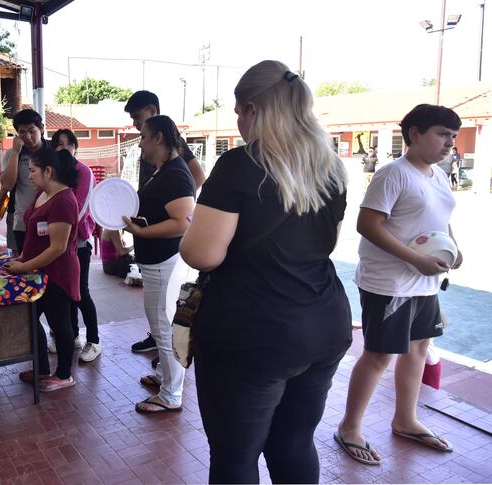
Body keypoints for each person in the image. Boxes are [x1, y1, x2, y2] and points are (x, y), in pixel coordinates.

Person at [180, 60, 352, 483]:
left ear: (254, 108)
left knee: (237, 457)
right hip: (324, 321)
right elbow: (317, 242)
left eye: (238, 111)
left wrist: (190, 233)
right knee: (294, 444)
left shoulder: (240, 164)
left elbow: (203, 254)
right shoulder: (330, 165)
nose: (238, 121)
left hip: (253, 332)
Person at [336, 104, 463, 465]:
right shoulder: (394, 174)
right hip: (390, 283)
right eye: (442, 134)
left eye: (453, 137)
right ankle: (349, 427)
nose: (449, 143)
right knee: (379, 355)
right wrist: (416, 260)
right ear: (414, 135)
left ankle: (405, 419)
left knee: (419, 348)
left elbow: (441, 218)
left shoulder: (437, 175)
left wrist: (454, 248)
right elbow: (368, 225)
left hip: (424, 281)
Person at [121, 115, 195, 414]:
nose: (140, 143)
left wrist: (141, 232)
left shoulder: (176, 174)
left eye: (143, 137)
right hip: (156, 262)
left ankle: (171, 395)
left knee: (164, 329)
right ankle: (166, 377)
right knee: (159, 324)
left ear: (159, 138)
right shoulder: (162, 170)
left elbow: (182, 223)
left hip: (165, 261)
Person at [124, 90, 205, 358]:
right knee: (160, 318)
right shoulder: (162, 166)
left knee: (163, 320)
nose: (137, 133)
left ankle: (170, 390)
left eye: (138, 120)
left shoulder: (174, 158)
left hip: (164, 253)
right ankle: (165, 371)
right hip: (155, 251)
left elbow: (184, 214)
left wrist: (174, 199)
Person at [8, 148, 81, 392]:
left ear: (48, 171)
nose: (29, 176)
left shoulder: (64, 200)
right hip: (37, 271)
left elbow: (58, 247)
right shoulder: (44, 193)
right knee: (29, 318)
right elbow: (37, 235)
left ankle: (64, 375)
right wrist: (22, 257)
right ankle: (42, 369)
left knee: (59, 321)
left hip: (57, 273)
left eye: (32, 170)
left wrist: (24, 266)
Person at [48, 128, 101, 362]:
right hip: (58, 243)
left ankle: (94, 341)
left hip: (77, 243)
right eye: (59, 144)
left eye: (69, 144)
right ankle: (73, 336)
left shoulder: (83, 172)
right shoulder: (52, 172)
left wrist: (60, 232)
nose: (64, 148)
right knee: (65, 292)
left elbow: (77, 210)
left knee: (81, 293)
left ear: (75, 147)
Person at [0, 109, 49, 252]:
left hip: (49, 217)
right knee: (21, 260)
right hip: (21, 219)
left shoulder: (53, 150)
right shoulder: (11, 154)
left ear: (42, 128)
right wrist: (15, 152)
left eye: (32, 131)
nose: (27, 136)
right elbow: (7, 185)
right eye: (22, 132)